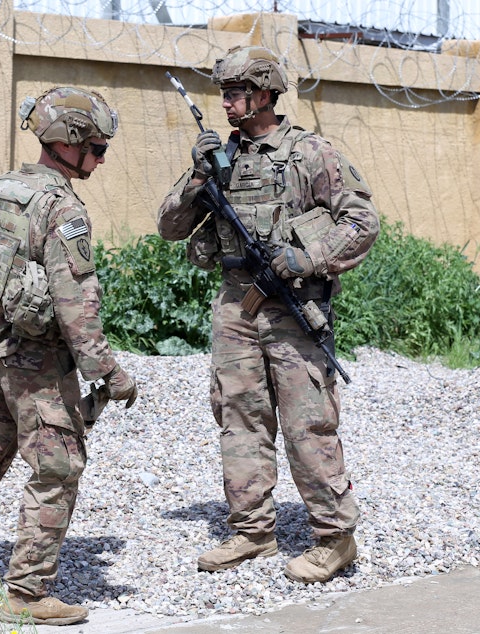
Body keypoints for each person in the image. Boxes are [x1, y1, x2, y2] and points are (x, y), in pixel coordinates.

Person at [157, 47, 379, 584]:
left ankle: (334, 537)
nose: (226, 103)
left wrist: (308, 256)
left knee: (307, 423)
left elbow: (362, 220)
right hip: (235, 302)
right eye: (224, 93)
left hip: (293, 304)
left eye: (235, 93)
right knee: (239, 418)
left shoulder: (309, 153)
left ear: (262, 94)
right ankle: (252, 530)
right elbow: (169, 226)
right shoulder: (221, 158)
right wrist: (197, 178)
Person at [0, 86, 138, 625]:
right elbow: (76, 308)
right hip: (37, 362)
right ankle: (26, 594)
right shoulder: (61, 207)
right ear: (68, 142)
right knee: (57, 467)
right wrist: (111, 374)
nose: (99, 158)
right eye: (95, 148)